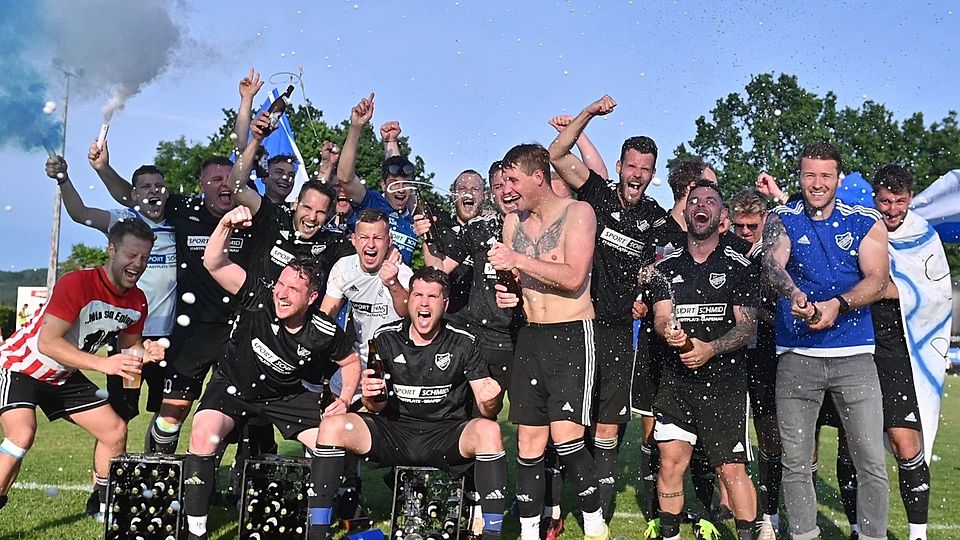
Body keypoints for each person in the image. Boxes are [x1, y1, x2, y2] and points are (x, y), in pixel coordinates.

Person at [181, 205, 360, 540]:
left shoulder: (322, 329)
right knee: (203, 433)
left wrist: (346, 397)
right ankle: (196, 531)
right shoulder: (258, 296)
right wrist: (225, 225)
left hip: (286, 394)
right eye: (281, 284)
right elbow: (214, 262)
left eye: (294, 290)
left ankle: (318, 528)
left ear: (312, 297)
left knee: (331, 443)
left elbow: (350, 362)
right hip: (234, 383)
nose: (282, 293)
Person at [308, 267, 506, 540]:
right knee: (332, 427)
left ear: (445, 304)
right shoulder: (385, 337)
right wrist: (370, 395)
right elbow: (374, 405)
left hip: (444, 434)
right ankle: (317, 532)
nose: (424, 303)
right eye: (418, 295)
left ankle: (492, 535)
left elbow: (487, 409)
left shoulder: (464, 341)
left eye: (432, 297)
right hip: (394, 433)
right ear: (409, 299)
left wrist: (492, 399)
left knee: (490, 431)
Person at [761, 141, 890, 540]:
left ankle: (872, 536)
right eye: (809, 175)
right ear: (799, 176)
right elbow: (771, 263)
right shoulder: (781, 215)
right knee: (796, 461)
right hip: (797, 355)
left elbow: (878, 280)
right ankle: (803, 534)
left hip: (854, 356)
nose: (817, 184)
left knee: (870, 459)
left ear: (838, 177)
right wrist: (794, 294)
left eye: (825, 176)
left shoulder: (864, 219)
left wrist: (839, 303)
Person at [548, 95, 667, 523]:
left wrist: (646, 293)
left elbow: (678, 258)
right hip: (578, 324)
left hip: (620, 332)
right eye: (631, 166)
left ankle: (597, 511)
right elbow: (557, 153)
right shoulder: (596, 193)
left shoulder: (656, 218)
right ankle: (557, 504)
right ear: (619, 167)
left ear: (653, 175)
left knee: (609, 426)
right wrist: (587, 115)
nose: (637, 175)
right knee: (569, 422)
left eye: (645, 169)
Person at [0, 219, 164, 519]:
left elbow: (131, 347)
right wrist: (104, 364)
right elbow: (48, 343)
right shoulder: (77, 283)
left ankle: (102, 506)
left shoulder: (138, 300)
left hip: (63, 374)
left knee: (115, 431)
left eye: (145, 257)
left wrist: (147, 353)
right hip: (21, 365)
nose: (138, 264)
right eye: (131, 255)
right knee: (22, 434)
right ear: (111, 250)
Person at [98, 152, 256, 455]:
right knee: (173, 411)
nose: (225, 186)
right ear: (201, 185)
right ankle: (156, 469)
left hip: (239, 331)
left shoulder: (251, 215)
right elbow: (133, 197)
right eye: (216, 180)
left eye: (230, 179)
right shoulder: (184, 209)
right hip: (192, 333)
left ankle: (215, 485)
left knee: (231, 414)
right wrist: (104, 167)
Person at [488, 143, 607, 540]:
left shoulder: (578, 212)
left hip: (572, 334)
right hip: (530, 335)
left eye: (513, 180)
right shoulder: (511, 223)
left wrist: (517, 262)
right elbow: (515, 283)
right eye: (503, 181)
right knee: (528, 438)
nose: (506, 188)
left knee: (567, 434)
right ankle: (527, 531)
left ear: (538, 177)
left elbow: (574, 277)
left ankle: (594, 525)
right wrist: (508, 293)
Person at [648, 180, 761, 540]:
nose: (701, 206)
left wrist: (710, 348)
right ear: (685, 212)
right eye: (694, 200)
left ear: (721, 214)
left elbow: (747, 328)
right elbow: (661, 316)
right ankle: (670, 535)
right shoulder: (665, 268)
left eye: (711, 201)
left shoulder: (740, 265)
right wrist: (670, 332)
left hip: (724, 385)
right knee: (670, 464)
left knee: (731, 470)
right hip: (677, 384)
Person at [50, 150, 175, 429]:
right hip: (126, 334)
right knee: (122, 410)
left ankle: (154, 462)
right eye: (145, 186)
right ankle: (116, 464)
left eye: (158, 186)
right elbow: (79, 213)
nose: (153, 191)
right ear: (133, 195)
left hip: (165, 336)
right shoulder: (122, 220)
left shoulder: (180, 223)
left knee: (166, 410)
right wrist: (63, 178)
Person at [230, 106, 355, 287]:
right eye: (279, 172)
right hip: (253, 303)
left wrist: (326, 167)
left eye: (290, 175)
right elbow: (236, 182)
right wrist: (256, 136)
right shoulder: (269, 213)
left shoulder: (311, 224)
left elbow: (314, 198)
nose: (285, 178)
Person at [728, 188, 780, 539]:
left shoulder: (775, 253)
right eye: (739, 225)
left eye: (751, 225)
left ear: (764, 221)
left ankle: (771, 516)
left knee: (770, 437)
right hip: (731, 357)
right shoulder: (727, 251)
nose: (745, 232)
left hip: (765, 357)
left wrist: (752, 313)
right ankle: (725, 502)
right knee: (725, 436)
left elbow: (778, 312)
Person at [336, 93, 420, 265]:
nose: (401, 189)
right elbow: (345, 178)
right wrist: (356, 127)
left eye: (406, 185)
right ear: (383, 185)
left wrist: (390, 141)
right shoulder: (372, 202)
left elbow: (399, 171)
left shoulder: (413, 214)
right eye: (394, 184)